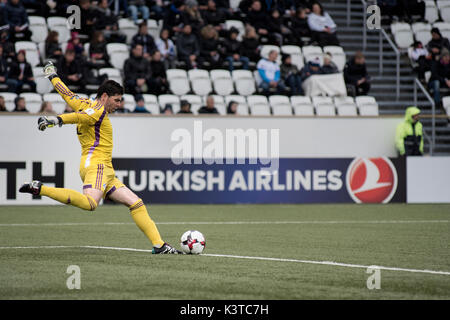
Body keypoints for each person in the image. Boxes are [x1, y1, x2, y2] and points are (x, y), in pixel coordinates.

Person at [19, 61, 182, 254]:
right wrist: (55, 120)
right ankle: (41, 188)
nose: (119, 105)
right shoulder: (97, 110)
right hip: (97, 165)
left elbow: (67, 93)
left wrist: (52, 75)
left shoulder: (85, 104)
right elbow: (80, 118)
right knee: (90, 204)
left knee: (135, 203)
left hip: (105, 169)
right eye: (117, 100)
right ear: (105, 97)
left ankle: (159, 245)